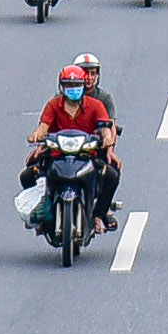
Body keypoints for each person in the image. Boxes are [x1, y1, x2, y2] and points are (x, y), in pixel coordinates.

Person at [30, 61, 119, 233]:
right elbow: (43, 126)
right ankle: (42, 214)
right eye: (69, 85)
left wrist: (107, 139)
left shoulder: (96, 105)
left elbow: (105, 128)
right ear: (62, 87)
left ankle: (98, 215)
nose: (73, 89)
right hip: (57, 155)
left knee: (112, 176)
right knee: (28, 174)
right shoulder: (54, 105)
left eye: (76, 85)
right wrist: (37, 136)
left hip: (86, 155)